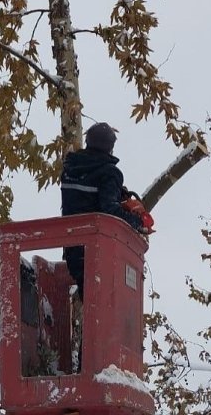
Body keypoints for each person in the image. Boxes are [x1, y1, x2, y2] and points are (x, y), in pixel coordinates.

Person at [60, 121, 148, 296]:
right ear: (110, 147)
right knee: (106, 301)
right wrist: (137, 221)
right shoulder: (110, 173)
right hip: (99, 250)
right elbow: (109, 211)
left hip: (73, 249)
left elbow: (80, 204)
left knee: (90, 296)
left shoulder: (70, 169)